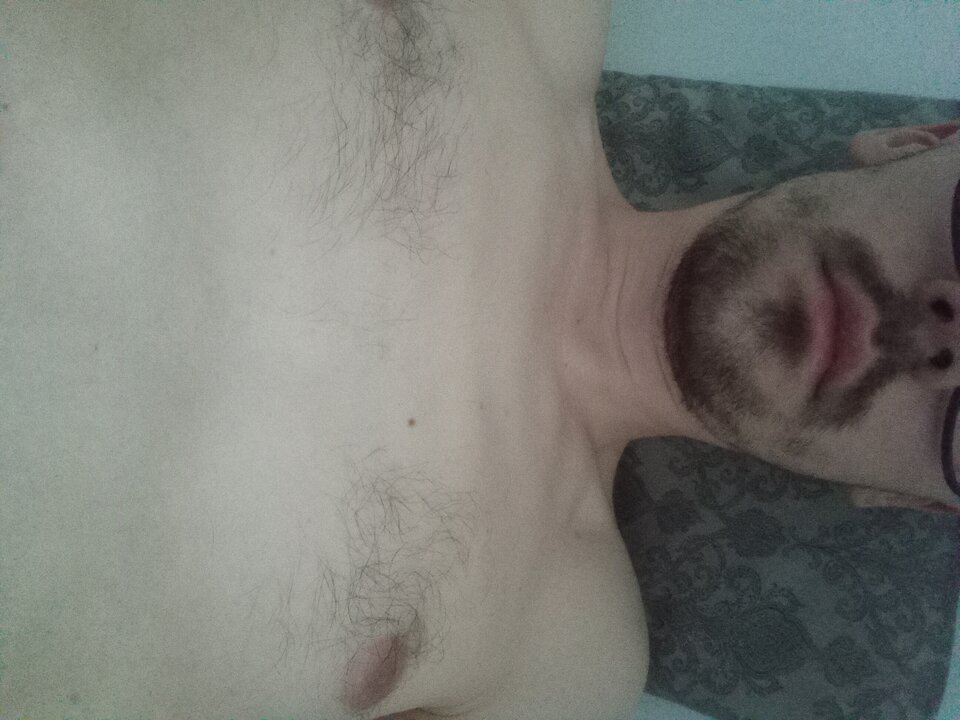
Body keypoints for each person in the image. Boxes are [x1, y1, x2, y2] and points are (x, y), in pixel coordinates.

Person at [0, 2, 956, 719]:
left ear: (913, 503)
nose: (948, 339)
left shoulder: (567, 666)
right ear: (925, 140)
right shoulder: (535, 15)